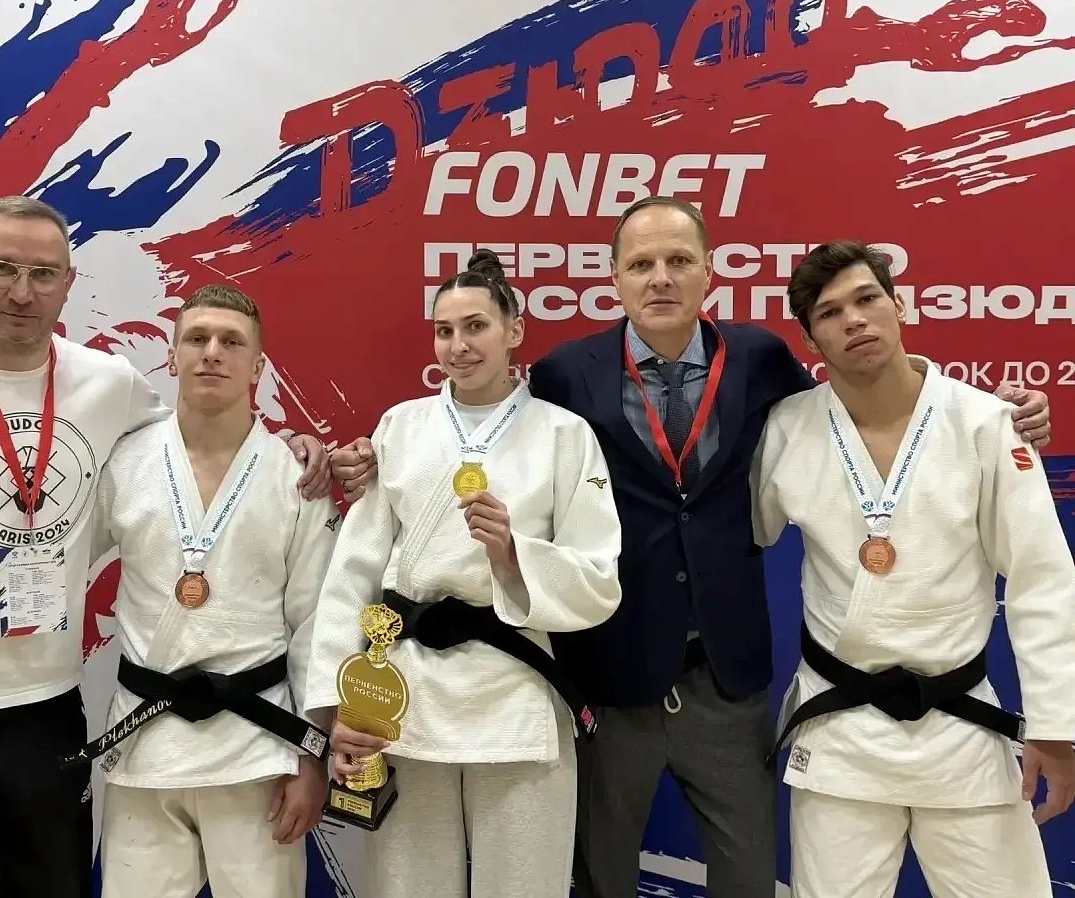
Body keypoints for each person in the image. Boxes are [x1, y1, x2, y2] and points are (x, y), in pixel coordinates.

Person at [329, 197, 1054, 898]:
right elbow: (497, 448)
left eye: (679, 260)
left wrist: (989, 413)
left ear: (710, 270)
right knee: (602, 874)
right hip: (612, 669)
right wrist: (368, 459)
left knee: (749, 876)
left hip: (725, 672)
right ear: (614, 278)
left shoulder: (759, 357)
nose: (661, 278)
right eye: (641, 264)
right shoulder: (567, 373)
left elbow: (855, 393)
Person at [0, 195, 331, 898]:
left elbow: (205, 443)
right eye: (3, 268)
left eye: (43, 273)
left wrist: (297, 447)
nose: (23, 292)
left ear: (68, 283)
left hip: (40, 708)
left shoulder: (109, 386)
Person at [752, 240, 1075, 896]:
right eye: (830, 312)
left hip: (962, 729)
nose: (855, 320)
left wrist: (1056, 726)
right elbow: (737, 531)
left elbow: (1042, 579)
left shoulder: (986, 424)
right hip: (839, 733)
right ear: (811, 339)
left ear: (898, 305)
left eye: (867, 299)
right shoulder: (788, 427)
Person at [304, 250, 623, 898]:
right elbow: (354, 569)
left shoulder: (564, 435)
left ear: (514, 330)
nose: (459, 345)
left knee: (525, 887)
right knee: (407, 887)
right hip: (405, 696)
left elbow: (599, 578)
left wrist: (514, 555)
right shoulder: (401, 426)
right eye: (444, 331)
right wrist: (339, 704)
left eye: (476, 326)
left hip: (515, 696)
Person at [81, 283, 338, 898]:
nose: (213, 352)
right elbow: (57, 564)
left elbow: (318, 625)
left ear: (257, 366)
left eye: (231, 342)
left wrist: (312, 754)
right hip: (146, 745)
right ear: (172, 358)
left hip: (259, 748)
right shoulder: (125, 462)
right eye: (196, 339)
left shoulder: (296, 476)